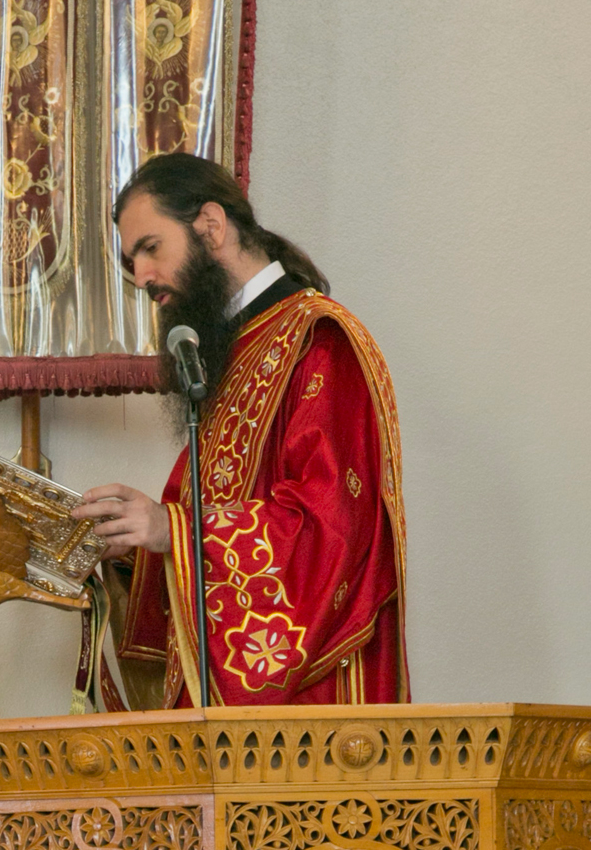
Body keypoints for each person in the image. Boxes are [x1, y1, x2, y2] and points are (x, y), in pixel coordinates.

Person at [73, 152, 408, 710]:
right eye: (131, 262)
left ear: (211, 224)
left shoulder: (319, 341)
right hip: (229, 730)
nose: (141, 277)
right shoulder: (231, 355)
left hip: (308, 714)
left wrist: (170, 531)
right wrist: (128, 551)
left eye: (150, 248)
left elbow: (329, 534)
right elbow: (198, 524)